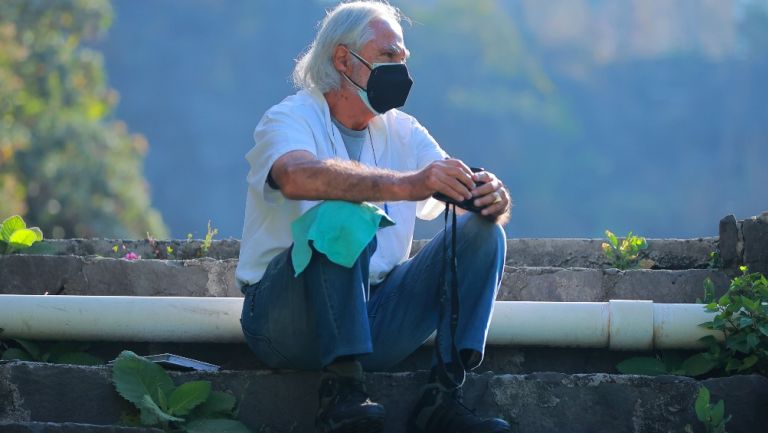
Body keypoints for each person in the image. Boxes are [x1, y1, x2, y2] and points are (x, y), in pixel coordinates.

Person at [236, 2, 513, 432]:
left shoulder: (403, 129)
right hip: (285, 320)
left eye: (403, 59)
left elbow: (447, 189)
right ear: (343, 59)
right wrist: (404, 185)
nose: (400, 70)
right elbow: (293, 176)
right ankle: (341, 393)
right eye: (388, 57)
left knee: (483, 232)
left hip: (376, 318)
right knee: (345, 213)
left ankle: (441, 397)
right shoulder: (290, 116)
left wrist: (488, 195)